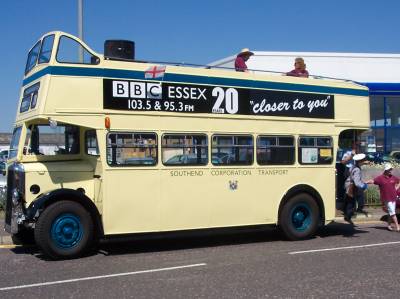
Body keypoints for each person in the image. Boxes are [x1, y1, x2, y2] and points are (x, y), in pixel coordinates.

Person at [366, 163, 400, 231]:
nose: (390, 170)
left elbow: (399, 181)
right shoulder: (380, 178)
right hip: (387, 198)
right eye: (389, 169)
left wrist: (396, 188)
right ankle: (397, 226)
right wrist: (364, 182)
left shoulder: (393, 177)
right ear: (385, 170)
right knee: (393, 212)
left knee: (390, 212)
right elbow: (373, 181)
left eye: (391, 169)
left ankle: (389, 225)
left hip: (393, 197)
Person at [343, 153, 369, 224]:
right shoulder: (357, 169)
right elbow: (357, 182)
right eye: (363, 160)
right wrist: (364, 186)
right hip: (353, 187)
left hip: (348, 185)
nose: (364, 162)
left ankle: (347, 215)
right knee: (357, 201)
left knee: (350, 201)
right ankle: (355, 212)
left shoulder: (353, 166)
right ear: (360, 161)